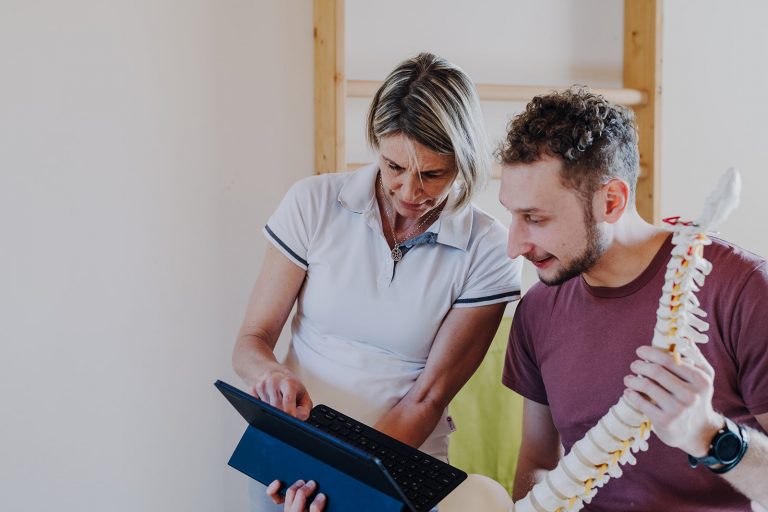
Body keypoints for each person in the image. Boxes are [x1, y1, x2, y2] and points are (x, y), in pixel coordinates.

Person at [233, 52, 522, 511]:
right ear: (376, 145)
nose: (410, 192)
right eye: (394, 167)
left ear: (464, 163)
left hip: (395, 469)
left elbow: (426, 399)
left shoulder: (488, 249)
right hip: (290, 462)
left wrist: (340, 478)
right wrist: (269, 375)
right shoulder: (313, 202)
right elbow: (253, 339)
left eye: (432, 174)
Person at [499, 87, 768, 510]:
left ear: (612, 200)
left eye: (535, 218)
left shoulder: (745, 290)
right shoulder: (536, 308)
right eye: (512, 215)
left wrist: (709, 435)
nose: (514, 246)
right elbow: (536, 464)